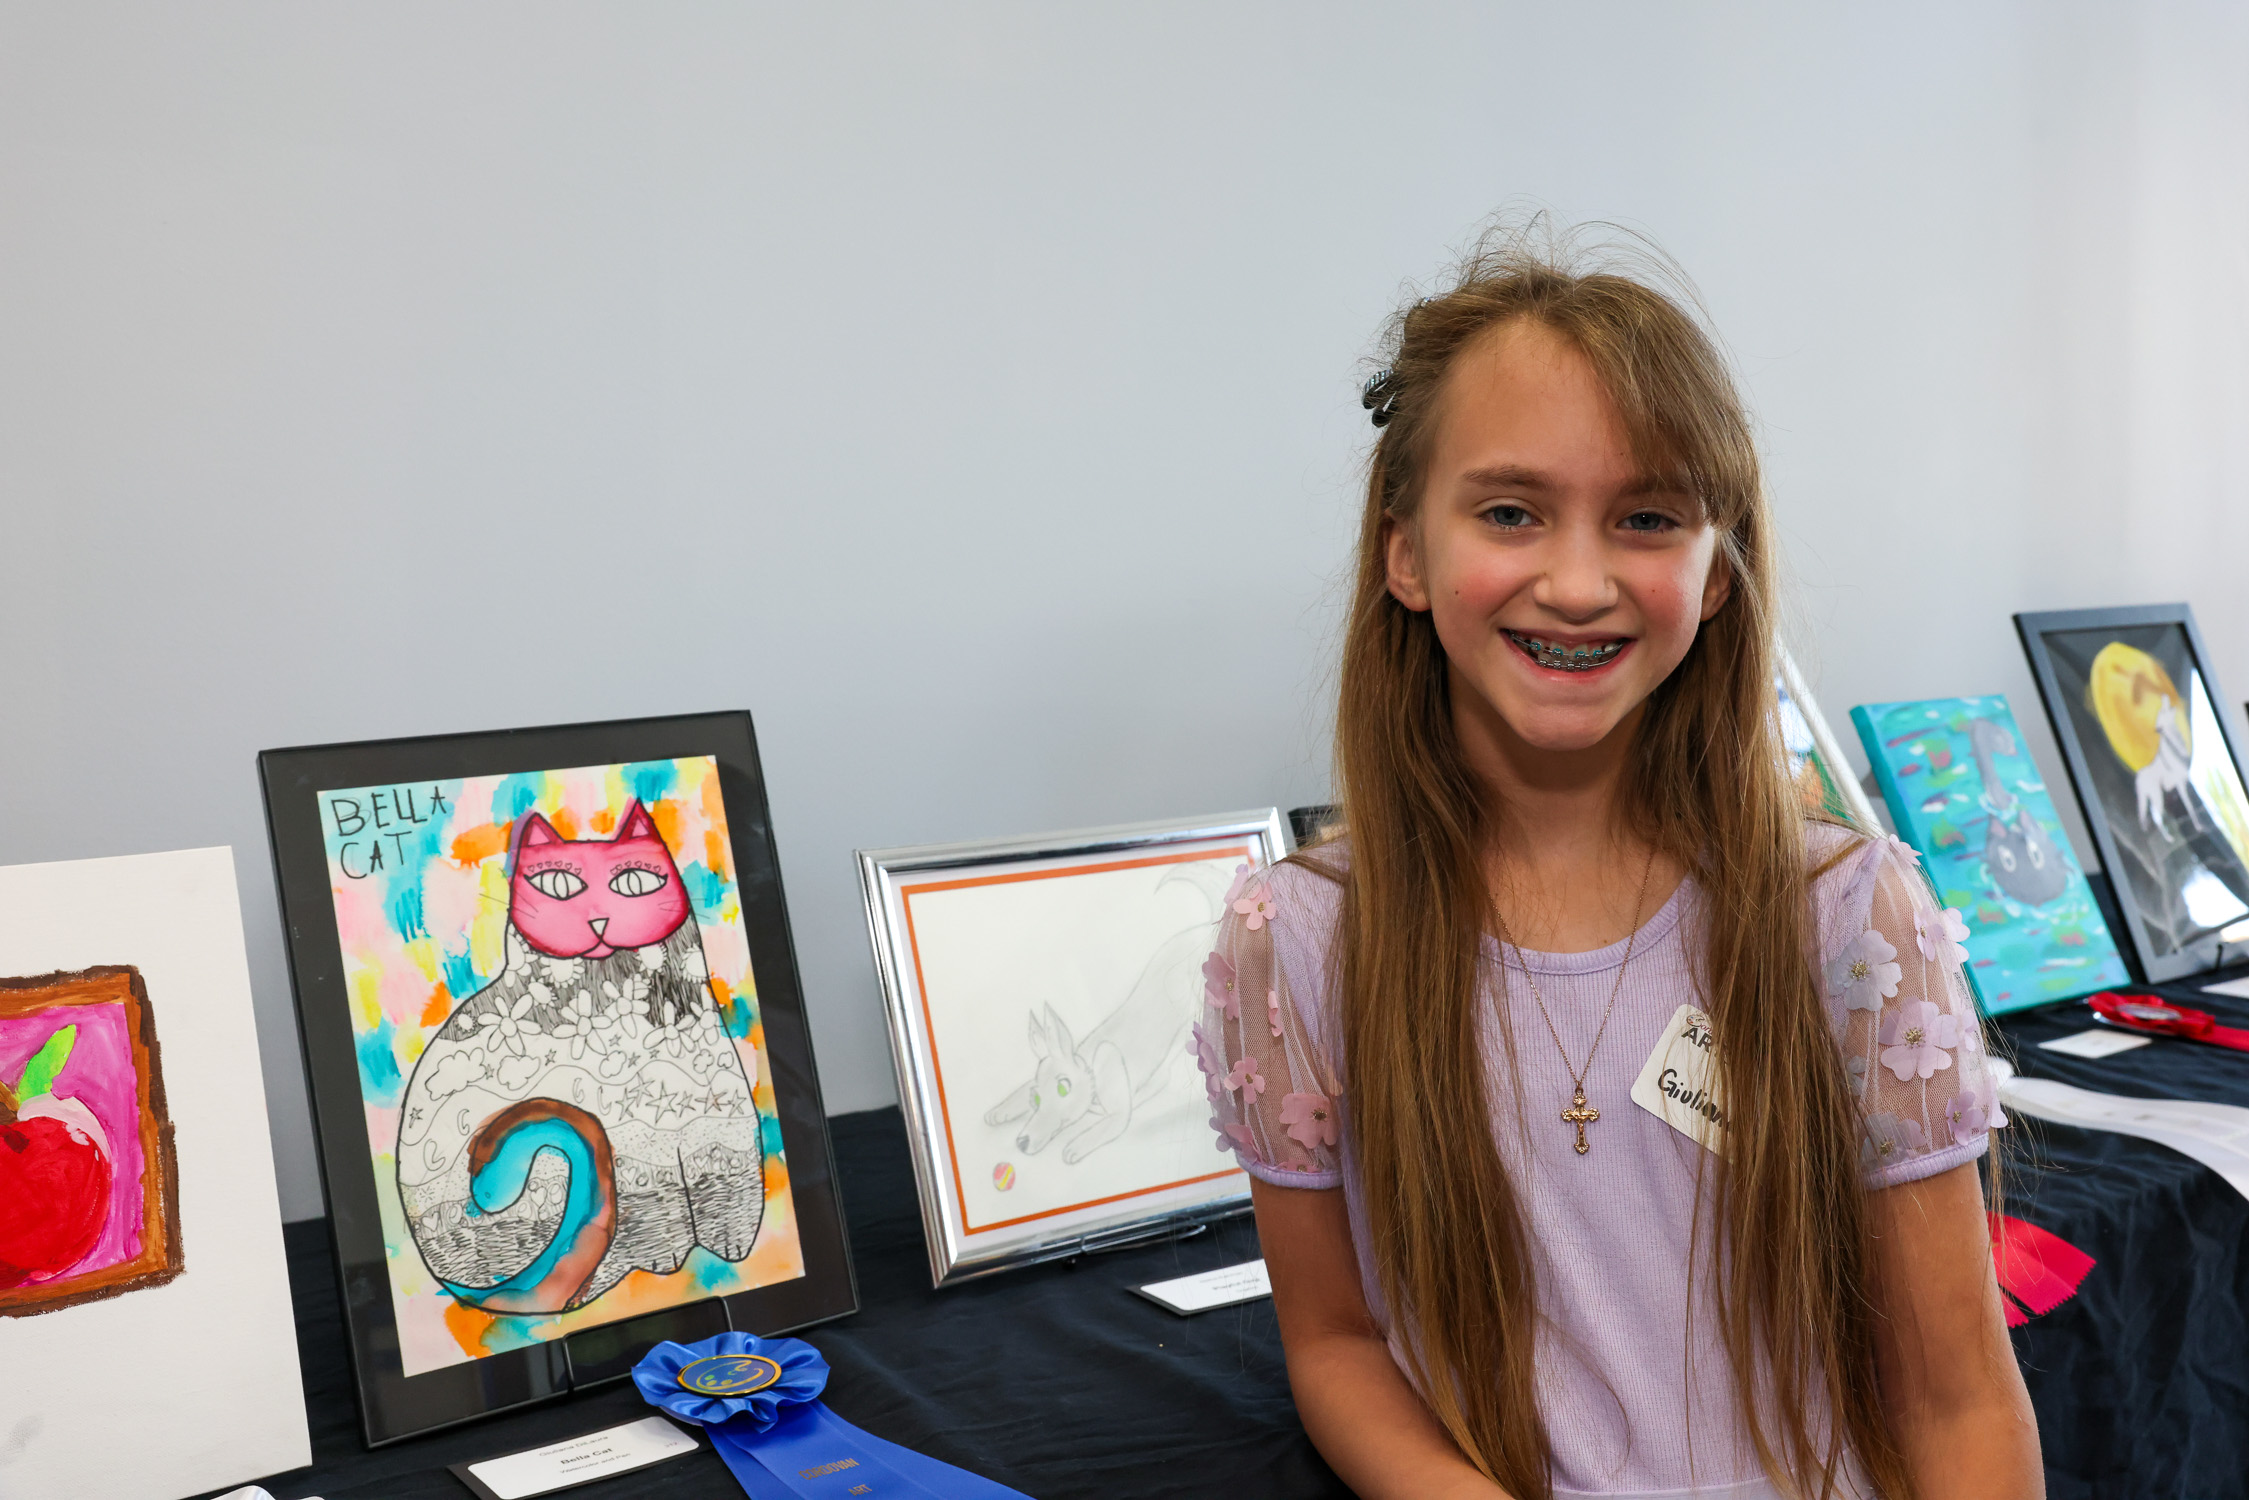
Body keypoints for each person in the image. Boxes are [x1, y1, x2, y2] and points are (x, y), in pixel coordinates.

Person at [1197, 227, 2040, 1500]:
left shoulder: (1845, 915)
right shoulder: (1301, 937)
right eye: (1509, 512)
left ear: (1714, 572)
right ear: (1405, 551)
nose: (1578, 582)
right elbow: (1334, 1342)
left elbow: (1955, 1396)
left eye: (1645, 518)